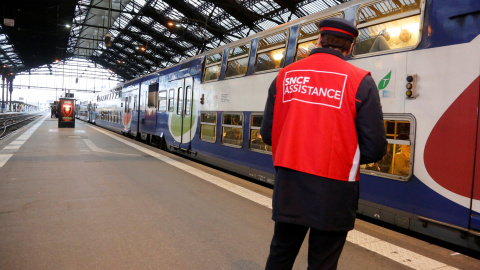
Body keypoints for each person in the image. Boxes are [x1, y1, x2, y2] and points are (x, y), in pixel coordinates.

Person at [260, 17, 387, 270]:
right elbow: (374, 147)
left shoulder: (284, 76)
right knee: (323, 262)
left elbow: (267, 133)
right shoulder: (360, 80)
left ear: (318, 40)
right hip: (335, 189)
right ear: (350, 47)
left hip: (289, 184)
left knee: (281, 253)